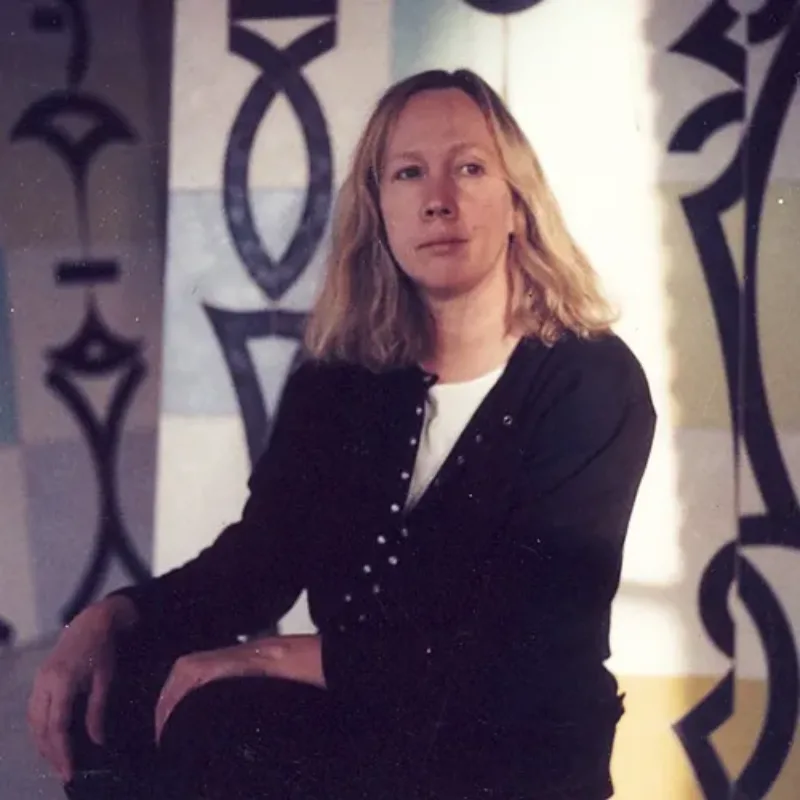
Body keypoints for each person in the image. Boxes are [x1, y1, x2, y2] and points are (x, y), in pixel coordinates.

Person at [28, 68, 656, 800]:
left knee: (216, 722)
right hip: (368, 728)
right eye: (409, 173)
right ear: (378, 209)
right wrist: (111, 618)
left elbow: (529, 645)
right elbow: (260, 561)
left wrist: (270, 657)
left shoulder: (589, 379)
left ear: (518, 203)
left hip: (512, 747)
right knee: (121, 701)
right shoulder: (341, 377)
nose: (437, 200)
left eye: (470, 168)